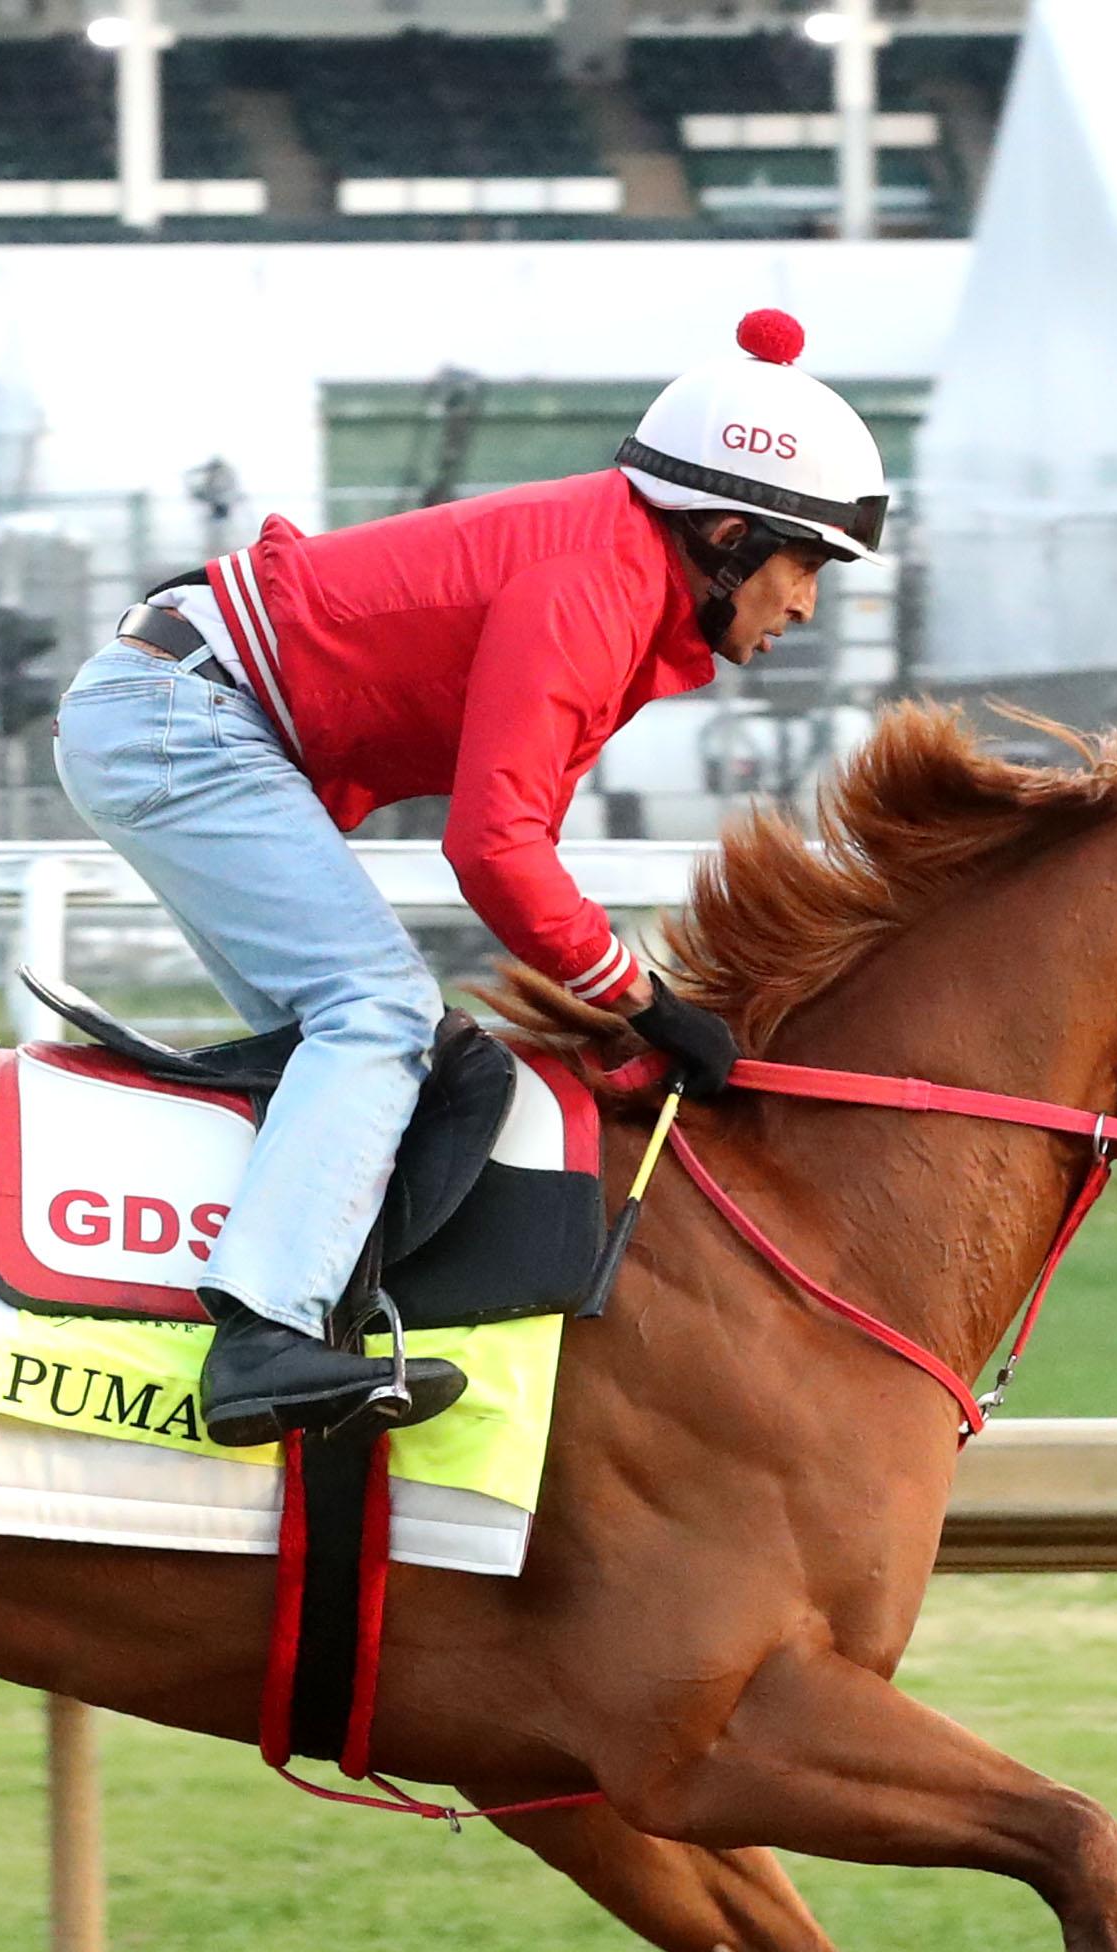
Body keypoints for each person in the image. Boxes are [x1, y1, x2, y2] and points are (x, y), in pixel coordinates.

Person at [50, 308, 891, 1447]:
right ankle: (263, 1333)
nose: (805, 604)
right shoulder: (590, 589)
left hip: (187, 707)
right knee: (377, 1014)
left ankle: (304, 1320)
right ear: (731, 533)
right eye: (804, 566)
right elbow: (494, 852)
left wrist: (623, 998)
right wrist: (647, 1002)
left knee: (399, 1053)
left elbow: (520, 837)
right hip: (182, 717)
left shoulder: (626, 595)